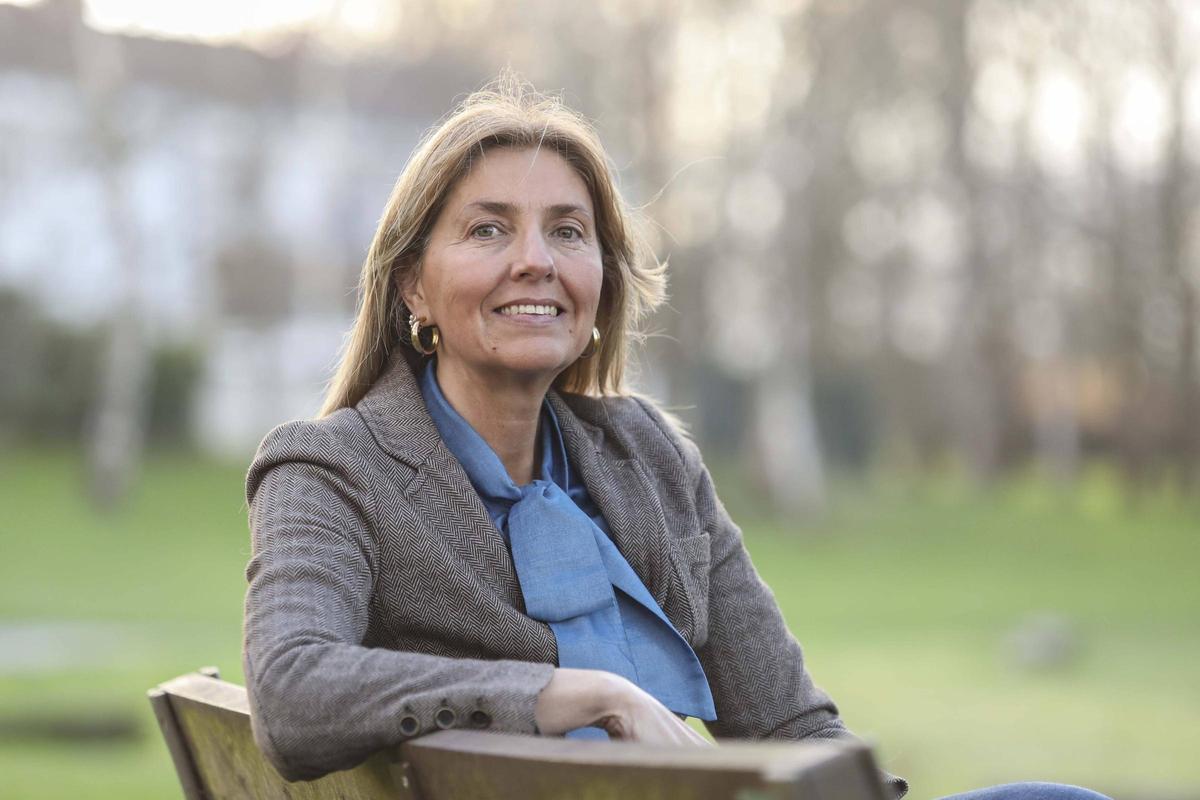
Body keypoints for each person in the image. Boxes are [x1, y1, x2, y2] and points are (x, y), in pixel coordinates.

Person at [242, 77, 1108, 800]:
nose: (536, 259)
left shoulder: (648, 457)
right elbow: (293, 691)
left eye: (568, 232)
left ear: (600, 288)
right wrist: (573, 693)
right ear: (413, 289)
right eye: (488, 228)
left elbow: (786, 721)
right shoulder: (331, 471)